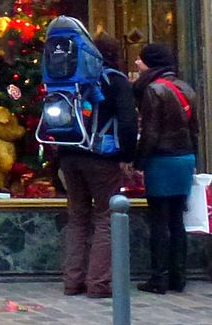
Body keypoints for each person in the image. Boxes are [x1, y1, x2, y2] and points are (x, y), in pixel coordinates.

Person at [59, 35, 136, 298]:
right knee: (106, 216)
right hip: (101, 156)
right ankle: (98, 283)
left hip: (69, 154)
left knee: (78, 217)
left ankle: (72, 281)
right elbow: (128, 123)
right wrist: (127, 156)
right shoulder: (115, 81)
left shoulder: (72, 80)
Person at [133, 44, 199, 294]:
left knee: (159, 220)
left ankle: (158, 278)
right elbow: (195, 129)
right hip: (184, 158)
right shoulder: (186, 88)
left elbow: (150, 132)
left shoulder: (153, 90)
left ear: (151, 63)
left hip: (161, 160)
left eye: (141, 60)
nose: (137, 63)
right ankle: (178, 276)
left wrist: (139, 163)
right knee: (177, 219)